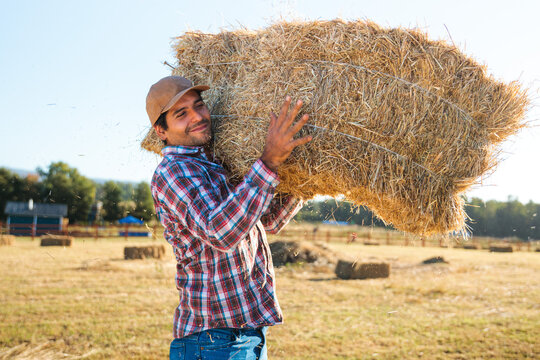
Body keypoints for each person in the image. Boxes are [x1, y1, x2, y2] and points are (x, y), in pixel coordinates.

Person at [146, 75, 312, 360]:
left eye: (199, 106)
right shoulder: (173, 172)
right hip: (212, 342)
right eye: (181, 114)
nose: (197, 117)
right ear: (161, 131)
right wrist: (269, 161)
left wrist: (309, 182)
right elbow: (220, 232)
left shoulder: (215, 166)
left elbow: (265, 220)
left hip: (247, 335)